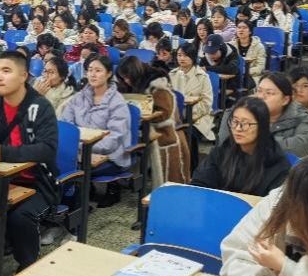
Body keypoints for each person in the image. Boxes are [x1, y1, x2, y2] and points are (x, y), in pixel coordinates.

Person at [0, 51, 60, 270]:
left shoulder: (40, 107)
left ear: (23, 76)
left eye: (6, 71)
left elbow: (47, 150)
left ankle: (28, 267)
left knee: (19, 217)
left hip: (38, 184)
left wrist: (3, 153)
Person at [61, 55, 132, 207]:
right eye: (90, 70)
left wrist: (83, 149)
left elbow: (114, 139)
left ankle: (77, 207)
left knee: (71, 169)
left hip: (110, 156)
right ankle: (75, 200)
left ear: (109, 74)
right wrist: (79, 149)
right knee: (58, 165)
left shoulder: (117, 102)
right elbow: (67, 125)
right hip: (81, 152)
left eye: (98, 70)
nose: (92, 74)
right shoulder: (79, 97)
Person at [191, 97, 290, 197]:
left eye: (245, 123)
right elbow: (199, 184)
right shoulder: (222, 151)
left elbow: (274, 203)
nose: (238, 128)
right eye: (235, 121)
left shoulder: (278, 165)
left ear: (262, 127)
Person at [116, 56, 190, 185]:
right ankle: (123, 182)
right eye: (123, 78)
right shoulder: (130, 83)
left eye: (128, 77)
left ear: (135, 73)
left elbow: (165, 113)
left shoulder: (158, 85)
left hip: (164, 131)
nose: (126, 81)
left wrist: (144, 116)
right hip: (142, 127)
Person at [217, 73, 308, 157]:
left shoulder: (300, 116)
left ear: (285, 100)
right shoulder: (238, 112)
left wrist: (254, 140)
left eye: (269, 93)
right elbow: (225, 145)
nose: (261, 97)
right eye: (259, 91)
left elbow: (305, 145)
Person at [168, 42, 214, 141]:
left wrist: (186, 114)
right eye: (179, 55)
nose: (182, 58)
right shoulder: (171, 75)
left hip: (197, 118)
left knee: (186, 135)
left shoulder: (202, 77)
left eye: (185, 55)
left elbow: (207, 103)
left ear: (193, 57)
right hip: (174, 117)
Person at [231, 20, 266, 88]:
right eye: (239, 27)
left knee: (239, 84)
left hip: (252, 76)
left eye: (244, 28)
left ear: (250, 31)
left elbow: (260, 68)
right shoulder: (231, 45)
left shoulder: (259, 47)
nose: (241, 30)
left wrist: (244, 71)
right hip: (234, 76)